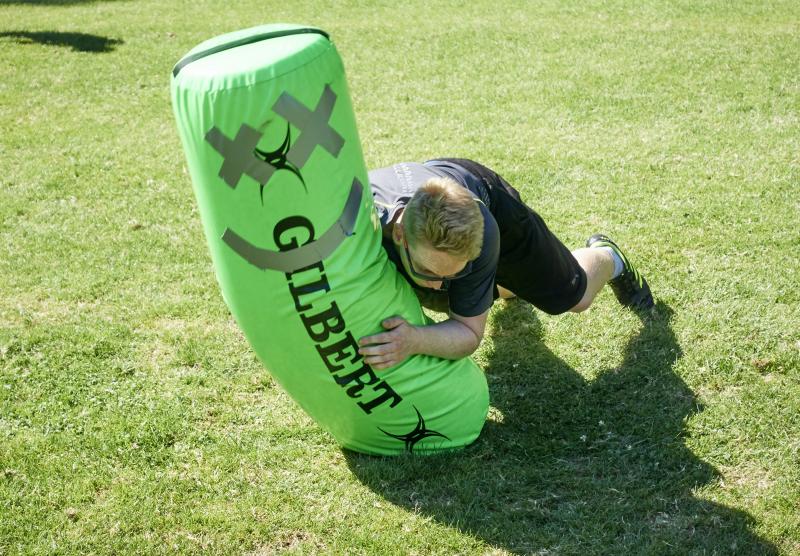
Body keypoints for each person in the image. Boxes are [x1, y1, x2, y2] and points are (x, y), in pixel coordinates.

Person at [357, 158, 653, 370]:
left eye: (456, 271)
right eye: (430, 271)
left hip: (493, 203)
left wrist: (415, 340)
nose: (438, 284)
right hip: (434, 193)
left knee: (574, 298)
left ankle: (608, 255)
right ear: (399, 234)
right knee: (454, 295)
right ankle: (502, 283)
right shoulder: (361, 216)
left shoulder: (482, 234)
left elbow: (468, 333)